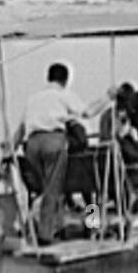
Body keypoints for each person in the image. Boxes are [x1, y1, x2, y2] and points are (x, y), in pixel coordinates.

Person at [12, 62, 115, 245]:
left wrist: (9, 150)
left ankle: (51, 227)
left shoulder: (33, 99)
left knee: (49, 188)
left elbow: (20, 129)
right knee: (88, 190)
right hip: (55, 148)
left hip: (32, 146)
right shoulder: (63, 96)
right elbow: (88, 112)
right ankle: (51, 234)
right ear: (66, 80)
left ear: (48, 77)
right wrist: (107, 97)